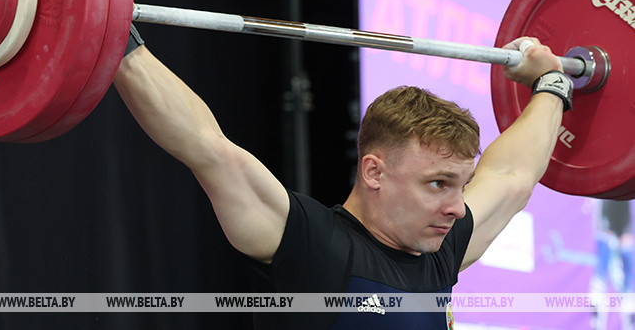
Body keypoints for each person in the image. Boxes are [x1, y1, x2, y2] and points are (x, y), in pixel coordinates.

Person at [114, 26, 572, 329]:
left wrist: (552, 83)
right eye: (437, 184)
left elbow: (513, 175)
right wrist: (116, 39)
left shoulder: (442, 250)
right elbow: (207, 148)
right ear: (374, 171)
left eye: (461, 185)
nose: (456, 207)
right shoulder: (313, 246)